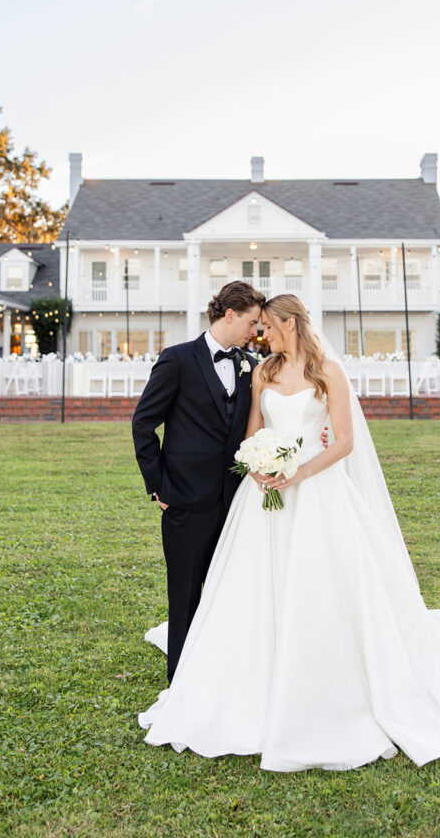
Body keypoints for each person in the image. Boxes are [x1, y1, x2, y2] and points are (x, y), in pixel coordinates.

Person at [138, 295, 440, 771]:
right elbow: (251, 431)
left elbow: (346, 440)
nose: (261, 336)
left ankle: (326, 686)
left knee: (323, 587)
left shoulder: (327, 371)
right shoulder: (262, 372)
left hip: (317, 492)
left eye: (267, 326)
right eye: (257, 328)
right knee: (253, 587)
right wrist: (259, 466)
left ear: (288, 323)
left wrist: (299, 471)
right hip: (264, 497)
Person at [131, 280, 265, 682]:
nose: (257, 331)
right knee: (185, 596)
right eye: (253, 321)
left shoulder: (252, 366)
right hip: (185, 501)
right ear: (230, 314)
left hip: (236, 502)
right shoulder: (177, 360)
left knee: (232, 592)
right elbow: (143, 423)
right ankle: (183, 681)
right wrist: (159, 488)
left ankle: (224, 675)